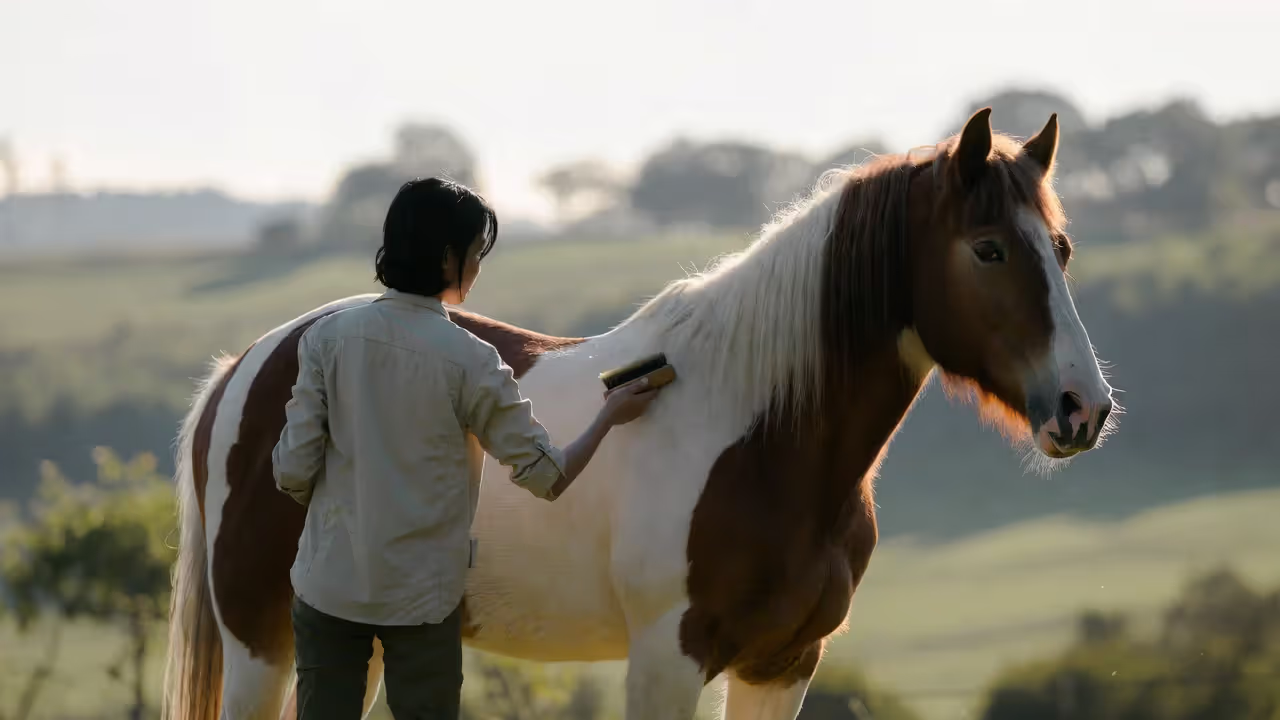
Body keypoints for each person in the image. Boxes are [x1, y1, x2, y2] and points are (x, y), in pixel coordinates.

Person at [272, 177, 662, 719]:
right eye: (476, 254)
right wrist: (609, 416)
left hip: (326, 588)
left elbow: (291, 470)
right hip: (423, 602)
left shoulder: (324, 340)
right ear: (449, 258)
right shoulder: (473, 362)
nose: (477, 269)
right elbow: (546, 476)